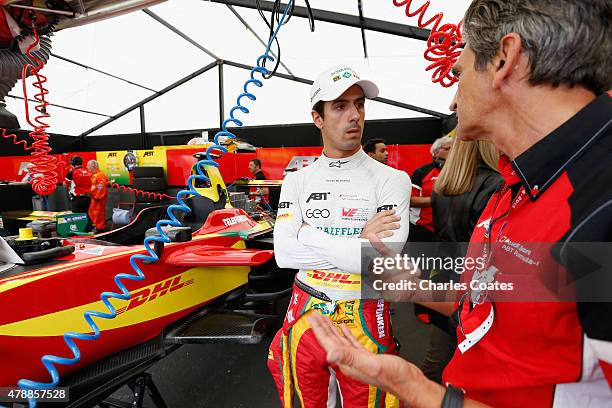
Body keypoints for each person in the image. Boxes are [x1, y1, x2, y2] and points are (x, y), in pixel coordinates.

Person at [309, 0, 612, 407]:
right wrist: (415, 290)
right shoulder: (518, 185)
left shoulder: (599, 205)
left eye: (460, 73)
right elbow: (502, 303)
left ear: (506, 58)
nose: (453, 101)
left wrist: (419, 392)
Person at [268, 64, 412, 407]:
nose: (355, 116)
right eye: (340, 106)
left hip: (364, 309)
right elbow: (284, 254)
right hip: (306, 309)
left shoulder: (393, 179)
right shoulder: (297, 179)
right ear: (317, 118)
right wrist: (357, 240)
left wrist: (307, 232)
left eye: (359, 104)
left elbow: (375, 260)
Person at [420, 138, 502, 383]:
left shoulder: (443, 184)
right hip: (474, 276)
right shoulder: (497, 184)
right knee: (471, 357)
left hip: (443, 270)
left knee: (438, 353)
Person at [408, 135, 453, 242]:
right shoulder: (422, 172)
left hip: (447, 229)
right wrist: (439, 199)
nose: (453, 152)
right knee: (420, 259)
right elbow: (410, 200)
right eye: (448, 149)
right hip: (423, 228)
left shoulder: (456, 172)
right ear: (436, 152)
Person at [87, 160, 108, 232]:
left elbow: (100, 186)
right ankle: (96, 227)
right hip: (94, 198)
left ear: (93, 166)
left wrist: (97, 196)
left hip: (98, 199)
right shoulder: (94, 175)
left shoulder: (100, 175)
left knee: (98, 214)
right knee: (94, 214)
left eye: (88, 165)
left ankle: (100, 229)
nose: (87, 167)